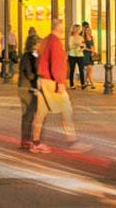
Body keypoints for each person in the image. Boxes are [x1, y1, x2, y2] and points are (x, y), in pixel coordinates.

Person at [32, 20, 86, 153]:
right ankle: (72, 141)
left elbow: (38, 57)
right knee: (66, 109)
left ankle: (35, 142)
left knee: (41, 113)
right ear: (59, 28)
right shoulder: (55, 42)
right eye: (62, 26)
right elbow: (57, 63)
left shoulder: (45, 41)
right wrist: (60, 82)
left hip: (42, 80)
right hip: (52, 82)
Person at [18, 34, 40, 150]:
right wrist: (38, 77)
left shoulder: (30, 55)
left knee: (29, 114)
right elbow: (29, 73)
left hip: (26, 87)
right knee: (28, 114)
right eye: (38, 43)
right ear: (34, 45)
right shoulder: (28, 56)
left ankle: (26, 139)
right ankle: (26, 139)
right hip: (26, 88)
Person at [67, 24, 86, 90]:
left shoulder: (81, 37)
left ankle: (83, 84)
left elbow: (84, 46)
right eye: (79, 29)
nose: (80, 30)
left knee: (81, 69)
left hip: (80, 55)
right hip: (72, 55)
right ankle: (71, 85)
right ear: (76, 29)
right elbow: (70, 47)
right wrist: (77, 45)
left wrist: (82, 48)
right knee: (72, 70)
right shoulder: (71, 37)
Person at [82, 22, 96, 90]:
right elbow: (83, 47)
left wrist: (92, 51)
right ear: (85, 31)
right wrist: (89, 50)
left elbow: (93, 47)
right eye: (87, 30)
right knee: (89, 69)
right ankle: (92, 84)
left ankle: (85, 82)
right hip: (86, 55)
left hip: (90, 55)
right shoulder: (83, 38)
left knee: (89, 70)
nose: (89, 31)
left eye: (89, 30)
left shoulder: (91, 37)